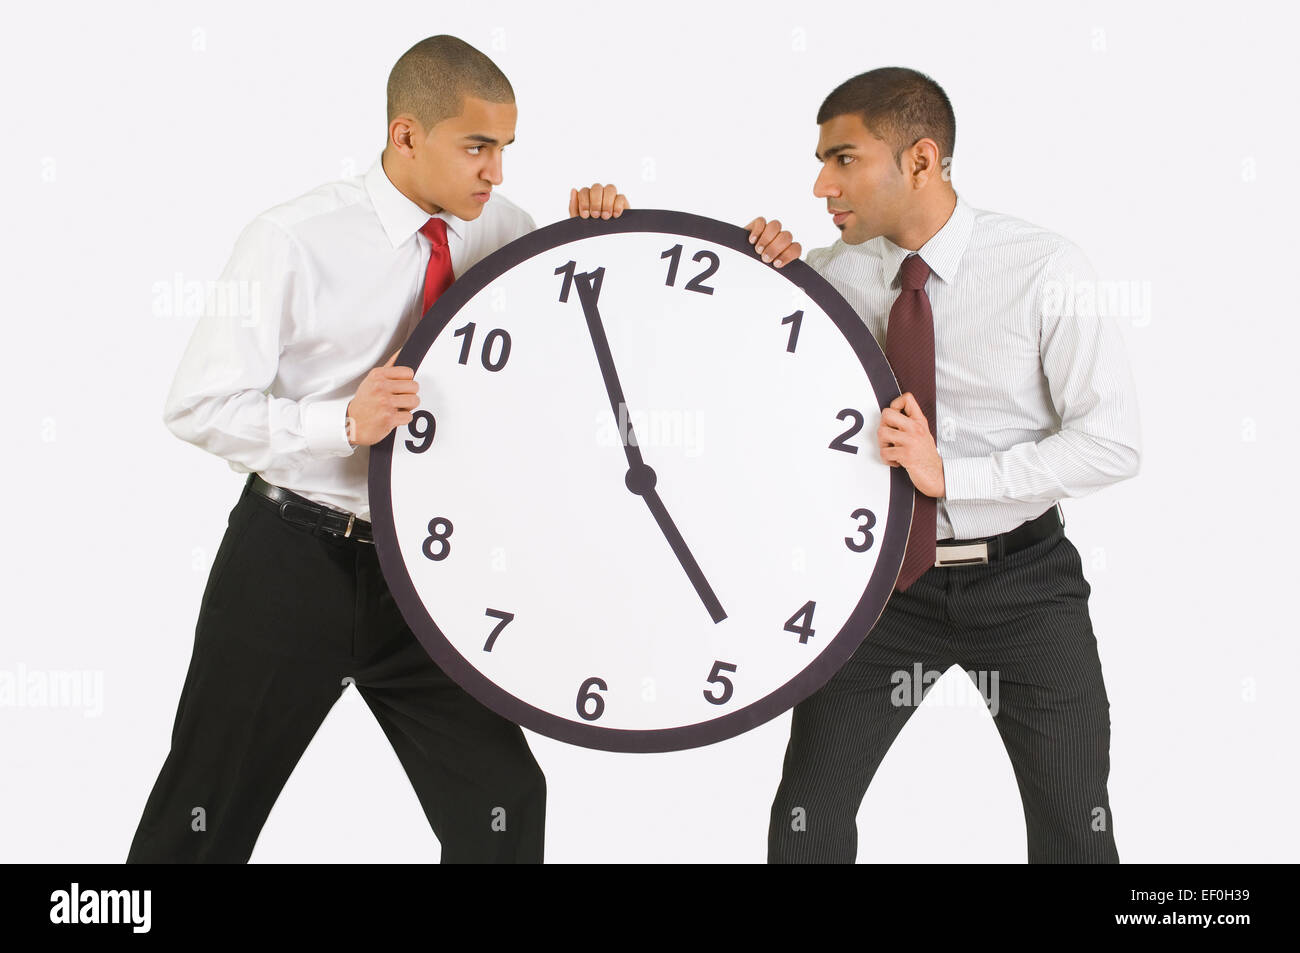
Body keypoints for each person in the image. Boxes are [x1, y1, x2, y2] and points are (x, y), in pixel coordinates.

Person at [127, 34, 626, 864]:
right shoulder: (292, 237)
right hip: (290, 559)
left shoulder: (506, 230)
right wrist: (340, 424)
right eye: (477, 147)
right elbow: (198, 404)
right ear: (405, 136)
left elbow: (547, 364)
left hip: (427, 572)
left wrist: (593, 238)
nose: (495, 173)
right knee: (204, 810)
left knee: (504, 803)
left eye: (504, 149)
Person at [747, 66, 1141, 863]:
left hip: (1025, 584)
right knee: (806, 819)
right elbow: (761, 393)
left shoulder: (1045, 268)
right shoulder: (832, 274)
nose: (821, 184)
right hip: (882, 586)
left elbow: (1112, 440)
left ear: (921, 161)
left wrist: (950, 477)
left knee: (1074, 823)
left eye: (844, 159)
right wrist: (763, 283)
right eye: (822, 160)